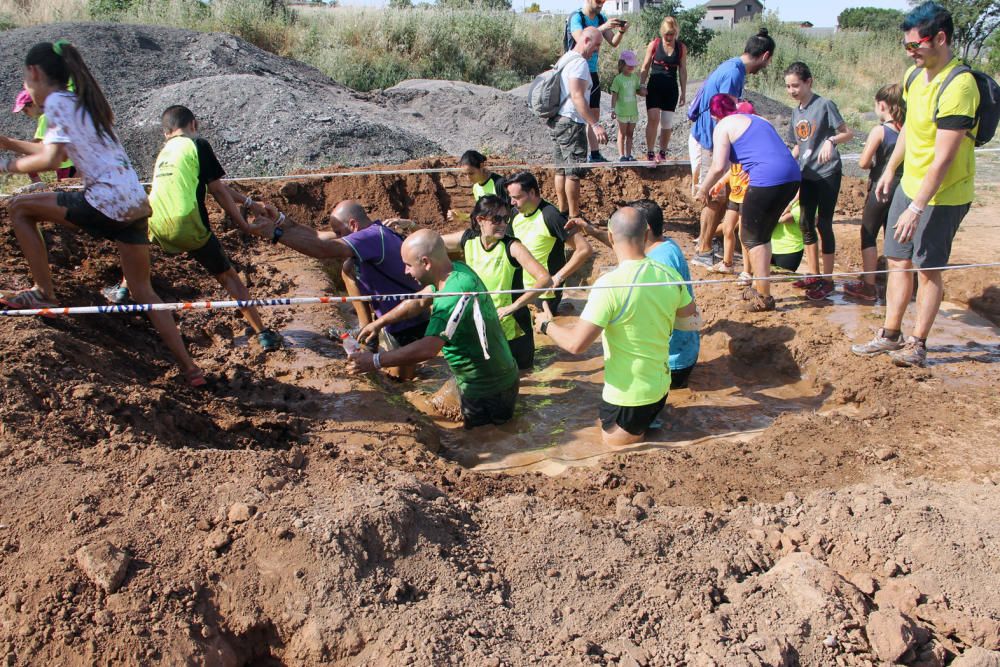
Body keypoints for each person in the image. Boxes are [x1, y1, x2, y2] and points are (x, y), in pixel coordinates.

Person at [0, 40, 205, 387]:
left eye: (24, 82)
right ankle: (190, 368)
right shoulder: (80, 102)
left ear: (34, 73)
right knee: (143, 291)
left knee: (19, 208)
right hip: (136, 205)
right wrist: (7, 142)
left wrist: (7, 165)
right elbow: (56, 152)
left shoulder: (56, 103)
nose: (26, 90)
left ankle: (43, 291)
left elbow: (51, 161)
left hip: (106, 203)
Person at [852, 1, 979, 367]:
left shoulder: (959, 85)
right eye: (905, 46)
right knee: (897, 259)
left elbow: (945, 157)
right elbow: (909, 128)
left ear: (940, 38)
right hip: (910, 183)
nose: (910, 52)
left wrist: (916, 206)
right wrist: (891, 169)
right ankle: (890, 334)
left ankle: (917, 342)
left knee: (928, 267)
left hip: (943, 194)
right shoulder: (913, 77)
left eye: (915, 45)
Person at [103, 105, 281, 352]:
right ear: (193, 125)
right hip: (188, 223)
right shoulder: (197, 144)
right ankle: (264, 334)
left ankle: (123, 291)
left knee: (138, 249)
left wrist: (249, 202)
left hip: (154, 222)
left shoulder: (165, 152)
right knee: (229, 278)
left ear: (166, 133)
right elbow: (217, 190)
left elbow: (210, 184)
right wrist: (244, 225)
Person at [537, 207, 699, 446]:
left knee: (617, 452)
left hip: (629, 396)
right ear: (646, 235)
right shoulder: (669, 275)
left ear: (611, 238)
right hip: (660, 386)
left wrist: (546, 325)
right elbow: (689, 318)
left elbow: (576, 345)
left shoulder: (608, 285)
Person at [350, 230, 520, 429]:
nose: (405, 272)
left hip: (487, 389)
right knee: (437, 409)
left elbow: (428, 349)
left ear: (426, 262)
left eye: (408, 265)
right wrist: (379, 323)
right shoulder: (456, 270)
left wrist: (375, 361)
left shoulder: (453, 296)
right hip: (482, 375)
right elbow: (419, 301)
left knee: (482, 439)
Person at [248, 200, 429, 380]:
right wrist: (280, 220)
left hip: (408, 322)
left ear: (353, 224)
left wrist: (275, 233)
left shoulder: (370, 237)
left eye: (339, 232)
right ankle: (366, 332)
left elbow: (322, 249)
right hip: (398, 316)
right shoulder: (372, 231)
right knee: (348, 268)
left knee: (400, 382)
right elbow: (317, 236)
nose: (336, 236)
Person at [568, 199, 701, 389]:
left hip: (671, 361)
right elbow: (626, 243)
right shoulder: (664, 245)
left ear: (644, 231)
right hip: (679, 353)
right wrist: (593, 231)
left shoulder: (660, 263)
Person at [696, 94, 801, 312]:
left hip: (767, 177)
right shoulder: (759, 120)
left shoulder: (723, 125)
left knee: (750, 236)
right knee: (762, 235)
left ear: (715, 115)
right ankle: (759, 287)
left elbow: (718, 166)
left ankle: (763, 295)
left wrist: (703, 189)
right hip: (791, 175)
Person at [688, 28, 775, 269]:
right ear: (765, 56)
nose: (765, 67)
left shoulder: (732, 66)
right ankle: (703, 249)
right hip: (711, 139)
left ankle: (708, 244)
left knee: (718, 194)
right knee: (714, 196)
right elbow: (724, 113)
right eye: (767, 63)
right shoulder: (734, 73)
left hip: (712, 137)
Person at [436, 195, 552, 371]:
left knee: (524, 377)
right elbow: (432, 243)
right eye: (497, 219)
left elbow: (545, 279)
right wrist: (412, 227)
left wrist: (513, 307)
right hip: (482, 326)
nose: (504, 224)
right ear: (480, 219)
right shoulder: (467, 240)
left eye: (506, 218)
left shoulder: (512, 246)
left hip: (514, 329)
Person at [784, 61, 854, 301]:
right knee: (804, 222)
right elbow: (797, 145)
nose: (792, 90)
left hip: (827, 173)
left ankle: (828, 279)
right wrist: (784, 163)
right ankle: (813, 273)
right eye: (788, 86)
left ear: (808, 82)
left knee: (824, 224)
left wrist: (831, 140)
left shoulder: (824, 105)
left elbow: (847, 133)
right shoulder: (796, 112)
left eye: (796, 85)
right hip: (807, 174)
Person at [844, 84, 905, 302]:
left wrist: (874, 163)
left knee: (868, 233)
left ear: (882, 105)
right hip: (903, 188)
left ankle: (869, 287)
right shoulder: (906, 129)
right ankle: (894, 288)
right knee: (893, 238)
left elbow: (863, 162)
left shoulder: (881, 130)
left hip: (881, 188)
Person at [506, 171, 593, 316]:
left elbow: (584, 249)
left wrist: (558, 277)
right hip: (522, 288)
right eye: (511, 198)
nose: (512, 202)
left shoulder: (551, 216)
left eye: (517, 197)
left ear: (532, 193)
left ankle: (560, 307)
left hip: (545, 294)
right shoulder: (515, 214)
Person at [549, 26, 609, 219]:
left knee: (561, 169)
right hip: (571, 123)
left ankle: (563, 211)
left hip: (558, 120)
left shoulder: (565, 58)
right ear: (586, 41)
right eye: (597, 44)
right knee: (573, 171)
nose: (597, 49)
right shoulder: (580, 64)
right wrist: (594, 124)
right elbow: (577, 96)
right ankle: (574, 215)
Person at [567, 0, 628, 163]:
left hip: (592, 71)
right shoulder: (577, 17)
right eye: (598, 0)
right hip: (576, 71)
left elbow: (613, 42)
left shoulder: (601, 18)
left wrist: (621, 32)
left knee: (594, 113)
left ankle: (594, 153)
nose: (601, 3)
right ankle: (575, 154)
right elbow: (582, 39)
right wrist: (604, 27)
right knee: (576, 113)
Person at [710, 100, 755, 277]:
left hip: (746, 194)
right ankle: (727, 263)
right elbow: (733, 170)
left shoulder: (750, 145)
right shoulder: (735, 142)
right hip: (735, 194)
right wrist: (721, 182)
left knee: (744, 234)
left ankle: (747, 271)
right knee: (728, 228)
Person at [638, 16, 688, 164]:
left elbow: (683, 70)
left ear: (676, 33)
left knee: (667, 122)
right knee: (653, 118)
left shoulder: (681, 48)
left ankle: (663, 152)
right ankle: (650, 152)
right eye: (667, 34)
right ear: (662, 32)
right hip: (654, 86)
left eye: (672, 34)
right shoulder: (654, 44)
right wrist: (641, 85)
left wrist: (684, 92)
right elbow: (645, 66)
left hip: (671, 88)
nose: (669, 37)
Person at [11, 89, 76, 184]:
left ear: (33, 104)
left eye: (25, 110)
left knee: (64, 186)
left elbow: (37, 140)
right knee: (66, 185)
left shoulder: (45, 116)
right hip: (69, 157)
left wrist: (22, 150)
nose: (26, 114)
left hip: (64, 160)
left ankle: (38, 185)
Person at [446, 150, 507, 223]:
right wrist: (461, 216)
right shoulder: (476, 187)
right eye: (465, 174)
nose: (468, 178)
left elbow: (508, 214)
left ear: (481, 166)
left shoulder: (499, 184)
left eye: (471, 173)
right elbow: (481, 216)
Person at [610, 50, 642, 162]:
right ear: (622, 64)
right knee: (622, 133)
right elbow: (614, 95)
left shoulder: (635, 78)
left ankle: (629, 155)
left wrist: (644, 90)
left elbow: (638, 90)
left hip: (633, 111)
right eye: (629, 64)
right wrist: (612, 109)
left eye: (633, 64)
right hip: (622, 111)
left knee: (630, 134)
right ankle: (621, 155)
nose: (631, 66)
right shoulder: (618, 79)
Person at [771, 198, 804, 272]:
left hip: (789, 250)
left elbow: (783, 219)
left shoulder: (804, 202)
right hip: (767, 247)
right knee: (765, 280)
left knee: (784, 281)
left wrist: (790, 203)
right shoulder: (781, 194)